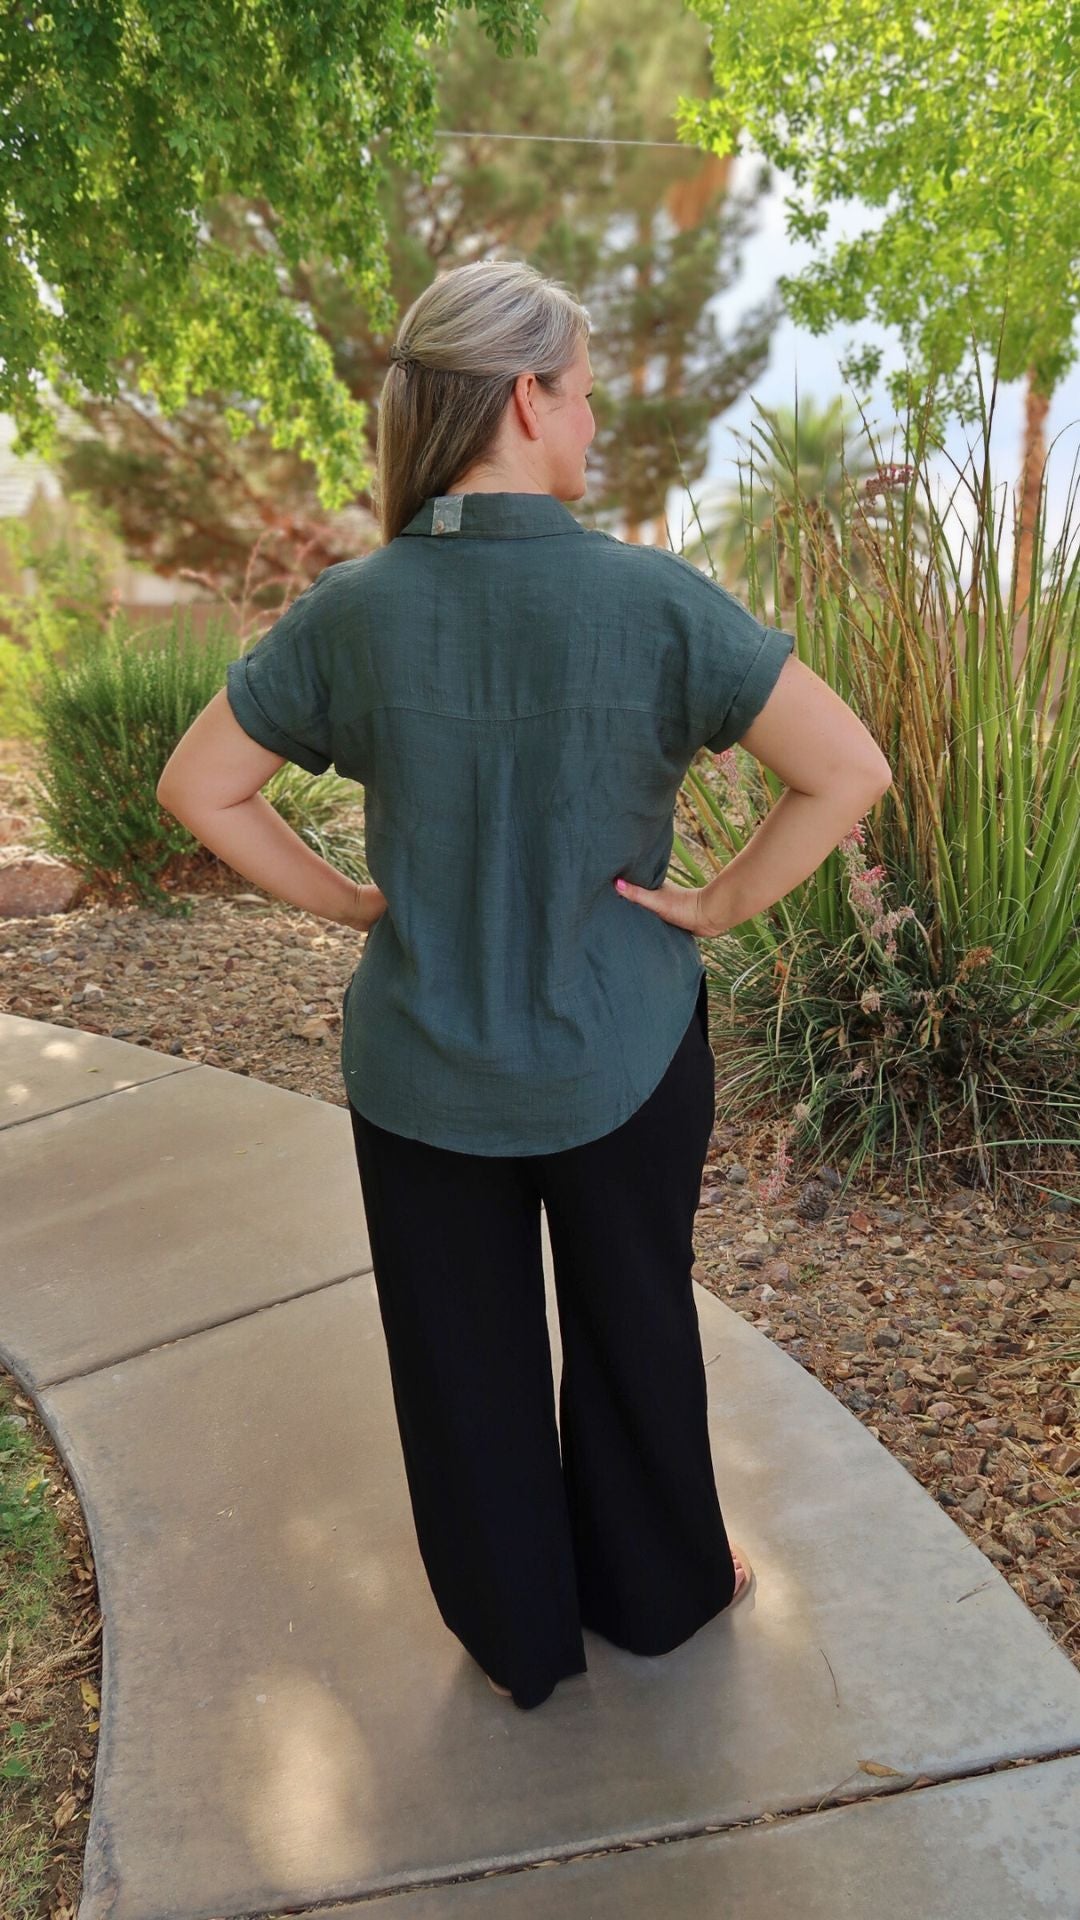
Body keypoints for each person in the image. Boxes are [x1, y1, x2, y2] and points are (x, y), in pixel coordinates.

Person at [157, 257, 892, 1712]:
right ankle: (663, 1588)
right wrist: (717, 902)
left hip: (423, 1061)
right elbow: (848, 770)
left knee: (460, 1359)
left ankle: (517, 1629)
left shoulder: (352, 610)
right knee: (634, 1321)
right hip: (621, 1047)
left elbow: (203, 787)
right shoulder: (653, 598)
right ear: (523, 397)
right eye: (584, 386)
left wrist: (352, 904)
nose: (598, 413)